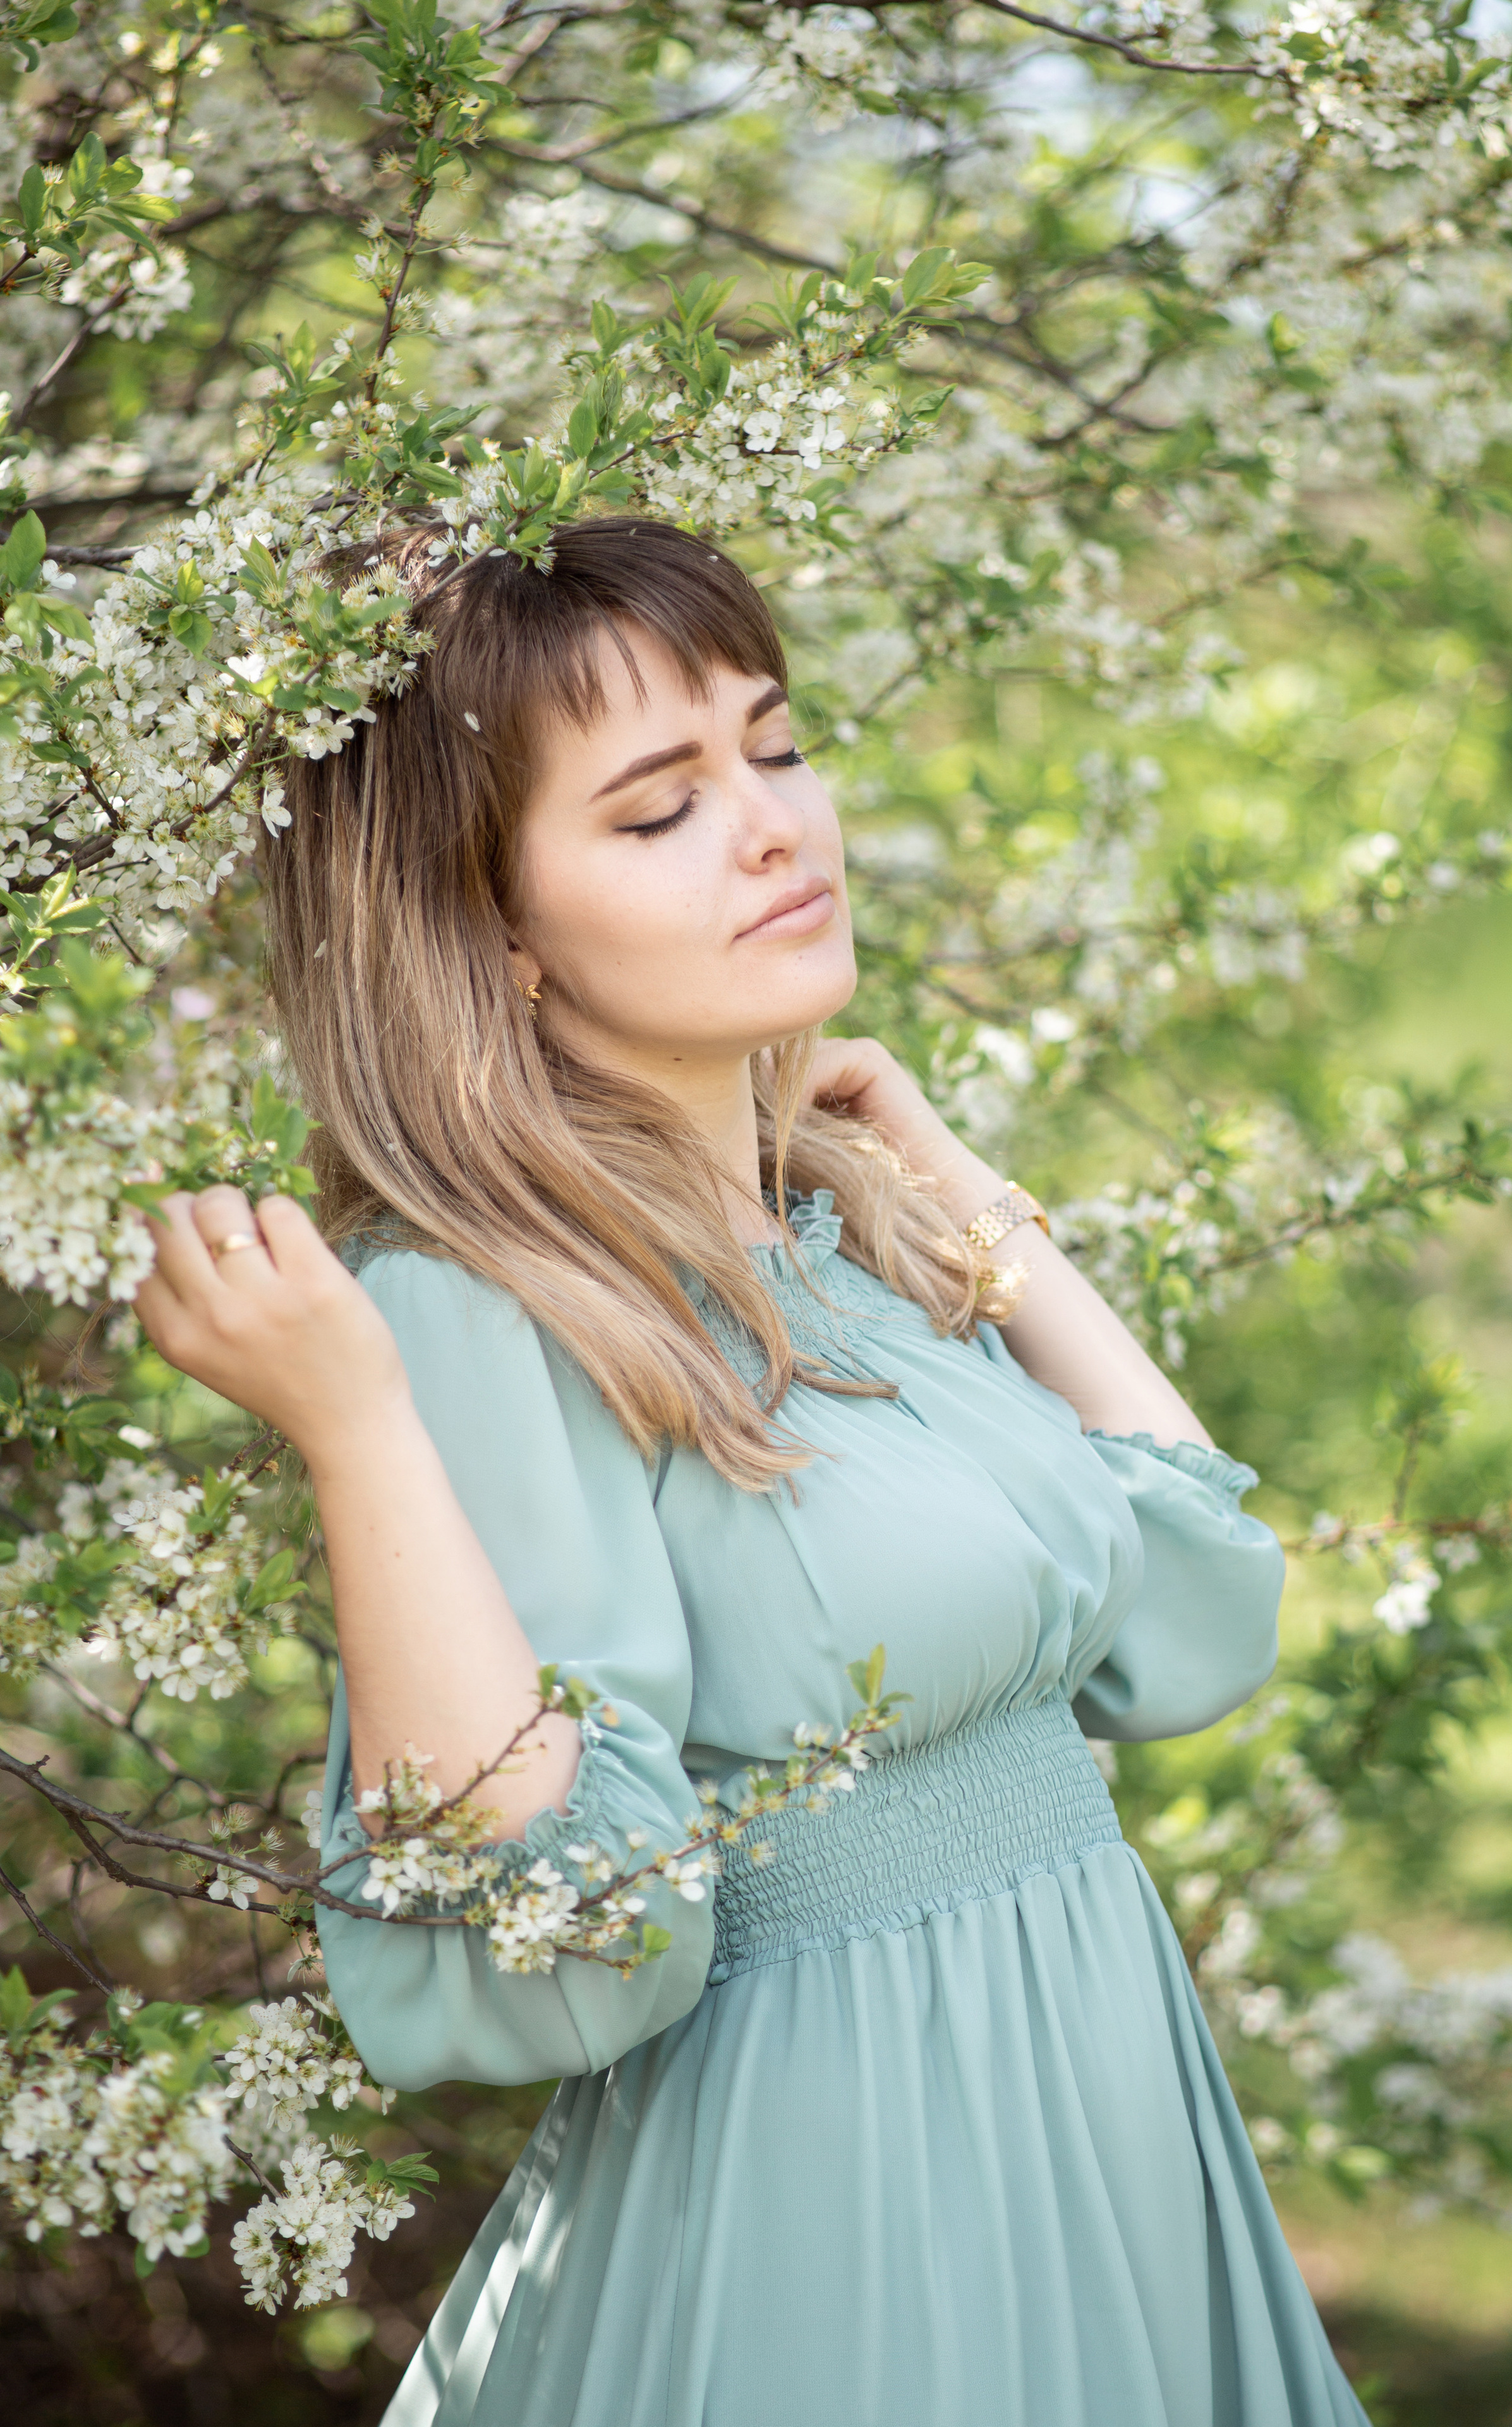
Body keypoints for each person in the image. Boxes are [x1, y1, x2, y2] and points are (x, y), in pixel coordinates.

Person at [135, 518, 1369, 2427]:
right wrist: (358, 1426)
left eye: (774, 748)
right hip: (844, 2193)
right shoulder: (474, 1309)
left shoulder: (832, 1231)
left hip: (1104, 2118)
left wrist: (960, 1191)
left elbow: (1193, 1621)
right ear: (490, 927)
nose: (777, 826)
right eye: (661, 807)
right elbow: (559, 1940)